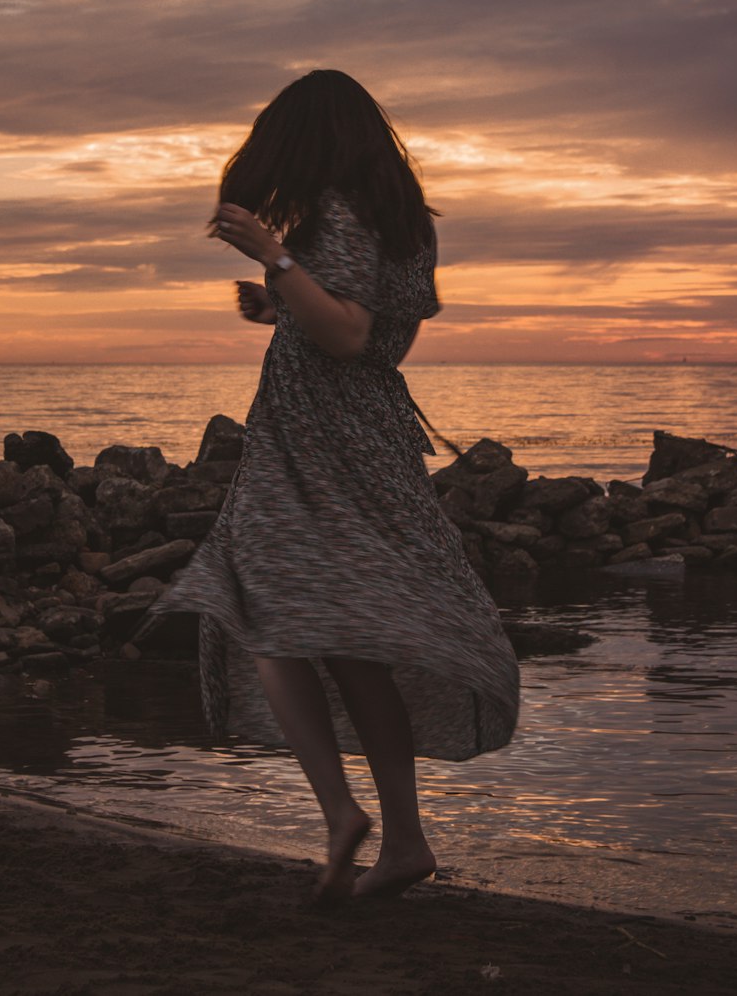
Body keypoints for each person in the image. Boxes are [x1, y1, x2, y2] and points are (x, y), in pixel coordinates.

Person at [138, 70, 519, 904]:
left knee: (261, 614)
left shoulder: (337, 210)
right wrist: (277, 300)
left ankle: (343, 814)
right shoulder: (399, 220)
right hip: (366, 438)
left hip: (317, 447)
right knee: (349, 646)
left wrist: (275, 256)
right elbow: (373, 328)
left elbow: (347, 334)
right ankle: (406, 842)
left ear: (309, 142)